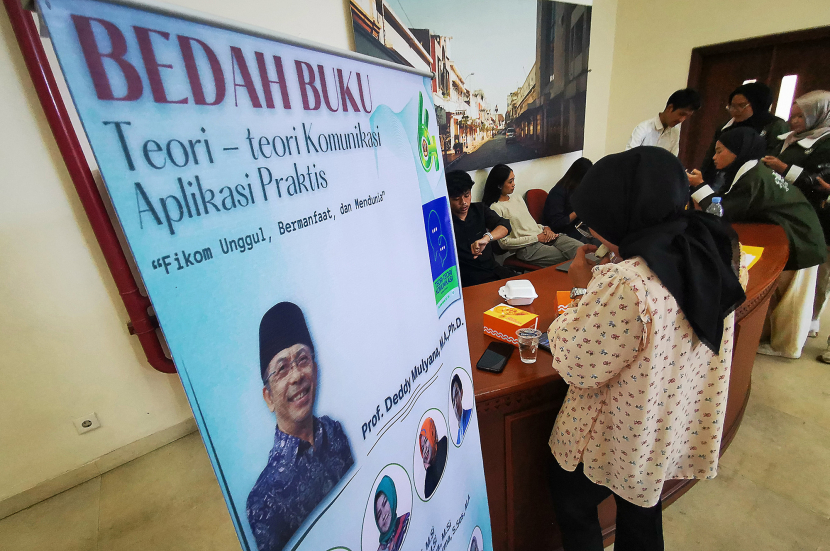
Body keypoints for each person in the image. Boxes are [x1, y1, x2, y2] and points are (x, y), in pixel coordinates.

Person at [547, 147, 745, 551]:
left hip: (616, 430)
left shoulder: (627, 283)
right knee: (641, 508)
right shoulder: (711, 248)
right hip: (666, 422)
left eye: (594, 222)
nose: (593, 234)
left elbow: (576, 364)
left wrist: (581, 288)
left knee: (572, 499)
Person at [689, 128, 826, 358]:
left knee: (793, 299)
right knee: (786, 295)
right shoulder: (750, 170)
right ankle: (779, 341)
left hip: (802, 237)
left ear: (738, 152)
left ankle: (786, 348)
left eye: (720, 151)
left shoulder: (753, 178)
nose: (714, 157)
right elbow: (732, 202)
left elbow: (721, 211)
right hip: (796, 231)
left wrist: (700, 186)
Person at [247, 302, 354, 551]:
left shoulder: (334, 431)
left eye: (302, 359)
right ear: (268, 397)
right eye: (282, 369)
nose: (296, 376)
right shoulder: (265, 499)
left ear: (315, 370)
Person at [762, 91, 830, 349]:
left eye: (802, 116)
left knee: (814, 271)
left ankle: (809, 320)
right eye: (793, 115)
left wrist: (785, 170)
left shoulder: (826, 141)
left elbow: (821, 181)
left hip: (814, 213)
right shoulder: (789, 139)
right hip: (785, 209)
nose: (794, 121)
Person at [482, 164, 581, 267]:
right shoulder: (496, 208)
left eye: (514, 180)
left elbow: (529, 224)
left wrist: (545, 228)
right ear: (499, 185)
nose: (514, 184)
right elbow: (504, 243)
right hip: (528, 247)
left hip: (543, 235)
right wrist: (537, 238)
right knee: (568, 259)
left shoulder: (517, 198)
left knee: (581, 250)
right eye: (510, 181)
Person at [700, 82, 789, 189]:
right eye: (732, 106)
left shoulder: (775, 126)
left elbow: (773, 158)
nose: (735, 111)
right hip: (720, 179)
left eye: (741, 106)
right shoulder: (728, 126)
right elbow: (711, 156)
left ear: (757, 104)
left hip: (751, 182)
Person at [446, 171, 517, 287]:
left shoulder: (479, 209)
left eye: (466, 195)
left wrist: (487, 237)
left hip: (492, 269)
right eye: (456, 199)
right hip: (468, 279)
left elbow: (505, 226)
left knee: (524, 287)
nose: (463, 202)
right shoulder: (444, 221)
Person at [625, 88, 701, 155]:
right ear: (669, 108)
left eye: (687, 117)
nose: (682, 120)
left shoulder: (675, 132)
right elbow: (629, 158)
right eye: (681, 114)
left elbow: (672, 162)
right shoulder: (643, 128)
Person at [541, 157, 594, 240]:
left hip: (578, 226)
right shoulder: (558, 192)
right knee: (596, 240)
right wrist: (578, 210)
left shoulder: (579, 189)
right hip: (561, 231)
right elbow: (557, 223)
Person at [374, 475, 410, 551]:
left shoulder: (405, 523)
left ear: (392, 501)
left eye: (384, 504)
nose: (383, 516)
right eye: (379, 514)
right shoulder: (380, 548)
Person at [419, 417, 448, 499]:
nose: (425, 450)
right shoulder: (430, 470)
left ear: (432, 434)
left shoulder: (444, 445)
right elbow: (428, 496)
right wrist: (428, 469)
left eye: (426, 441)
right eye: (422, 447)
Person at [451, 374, 472, 445]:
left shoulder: (471, 415)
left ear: (461, 393)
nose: (456, 403)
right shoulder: (458, 440)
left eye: (456, 393)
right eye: (452, 400)